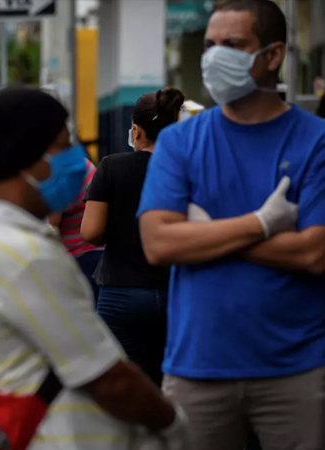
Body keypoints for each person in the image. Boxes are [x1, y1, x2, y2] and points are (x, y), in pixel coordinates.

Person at [0, 87, 191, 449]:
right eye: (64, 148)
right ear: (27, 157)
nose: (78, 161)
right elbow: (110, 379)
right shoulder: (24, 254)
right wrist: (174, 426)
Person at [138, 2, 325, 449]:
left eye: (233, 45)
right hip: (196, 367)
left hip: (296, 369)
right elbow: (159, 244)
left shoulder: (316, 141)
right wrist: (264, 224)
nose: (215, 56)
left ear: (274, 55)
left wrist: (204, 231)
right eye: (209, 45)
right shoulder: (179, 142)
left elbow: (314, 253)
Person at [81, 88, 184, 386]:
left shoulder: (112, 166)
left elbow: (91, 232)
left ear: (136, 131)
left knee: (123, 382)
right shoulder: (186, 169)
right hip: (176, 291)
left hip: (121, 294)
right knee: (173, 380)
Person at [48, 155, 104, 302]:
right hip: (92, 254)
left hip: (85, 257)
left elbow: (51, 223)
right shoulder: (72, 161)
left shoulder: (61, 167)